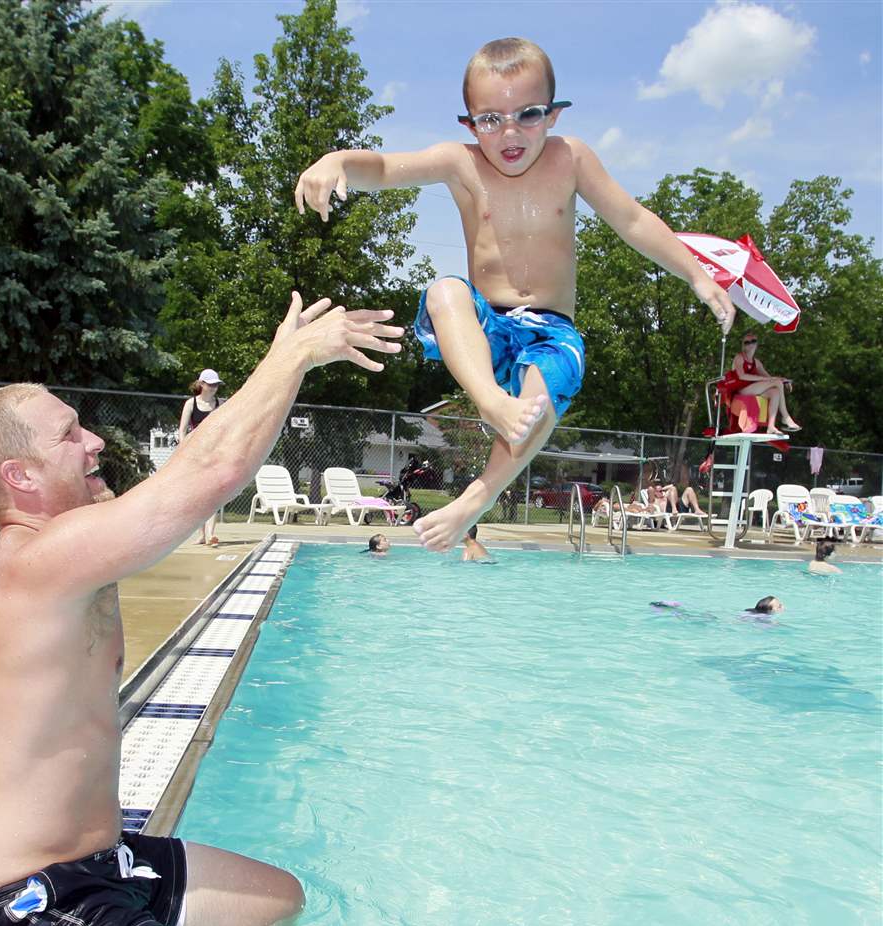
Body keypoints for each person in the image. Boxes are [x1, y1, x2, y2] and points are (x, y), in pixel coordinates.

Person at [0, 294, 402, 926]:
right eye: (69, 433)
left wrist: (282, 360)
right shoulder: (32, 566)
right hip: (27, 915)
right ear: (18, 476)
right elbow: (209, 475)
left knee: (278, 900)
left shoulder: (71, 545)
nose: (92, 441)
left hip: (102, 867)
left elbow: (200, 467)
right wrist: (291, 357)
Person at [295, 36, 734, 553]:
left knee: (543, 390)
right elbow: (388, 168)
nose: (509, 132)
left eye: (526, 114)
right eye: (490, 119)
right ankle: (490, 401)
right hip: (487, 327)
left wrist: (698, 275)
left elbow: (633, 219)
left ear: (552, 115)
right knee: (444, 290)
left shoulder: (571, 159)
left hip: (551, 328)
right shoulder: (459, 164)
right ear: (469, 123)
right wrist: (337, 159)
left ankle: (475, 498)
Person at [178, 369, 224, 546]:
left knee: (213, 495)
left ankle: (211, 534)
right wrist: (184, 451)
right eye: (211, 384)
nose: (214, 388)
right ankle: (202, 534)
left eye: (216, 385)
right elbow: (182, 430)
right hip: (196, 454)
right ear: (201, 384)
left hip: (215, 453)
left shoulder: (220, 404)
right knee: (198, 496)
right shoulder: (191, 404)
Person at [730, 333, 800, 435]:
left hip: (753, 389)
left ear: (757, 343)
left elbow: (769, 378)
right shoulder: (739, 357)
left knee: (775, 392)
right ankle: (786, 417)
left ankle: (771, 426)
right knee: (776, 383)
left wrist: (783, 380)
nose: (750, 344)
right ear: (743, 345)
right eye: (747, 342)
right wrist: (763, 379)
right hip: (741, 390)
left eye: (753, 341)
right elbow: (741, 376)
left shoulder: (756, 362)